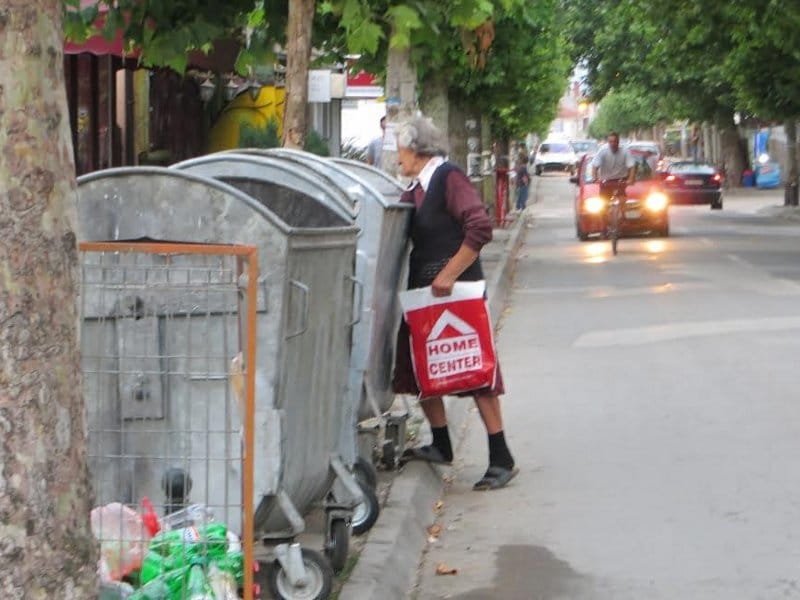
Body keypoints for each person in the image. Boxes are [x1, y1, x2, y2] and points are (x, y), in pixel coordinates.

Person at [392, 116, 517, 491]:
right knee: (418, 371)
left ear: (415, 149)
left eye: (400, 149)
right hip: (424, 292)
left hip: (456, 290)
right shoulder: (415, 188)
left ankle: (501, 457)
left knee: (474, 370)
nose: (397, 157)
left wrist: (448, 274)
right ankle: (441, 443)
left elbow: (479, 227)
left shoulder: (449, 178)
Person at [591, 132, 636, 202]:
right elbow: (595, 165)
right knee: (603, 204)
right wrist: (595, 178)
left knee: (622, 200)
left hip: (621, 180)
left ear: (618, 142)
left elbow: (631, 166)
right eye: (610, 142)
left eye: (615, 141)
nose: (613, 144)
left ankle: (622, 212)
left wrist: (630, 179)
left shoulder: (625, 150)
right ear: (608, 142)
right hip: (606, 181)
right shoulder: (602, 151)